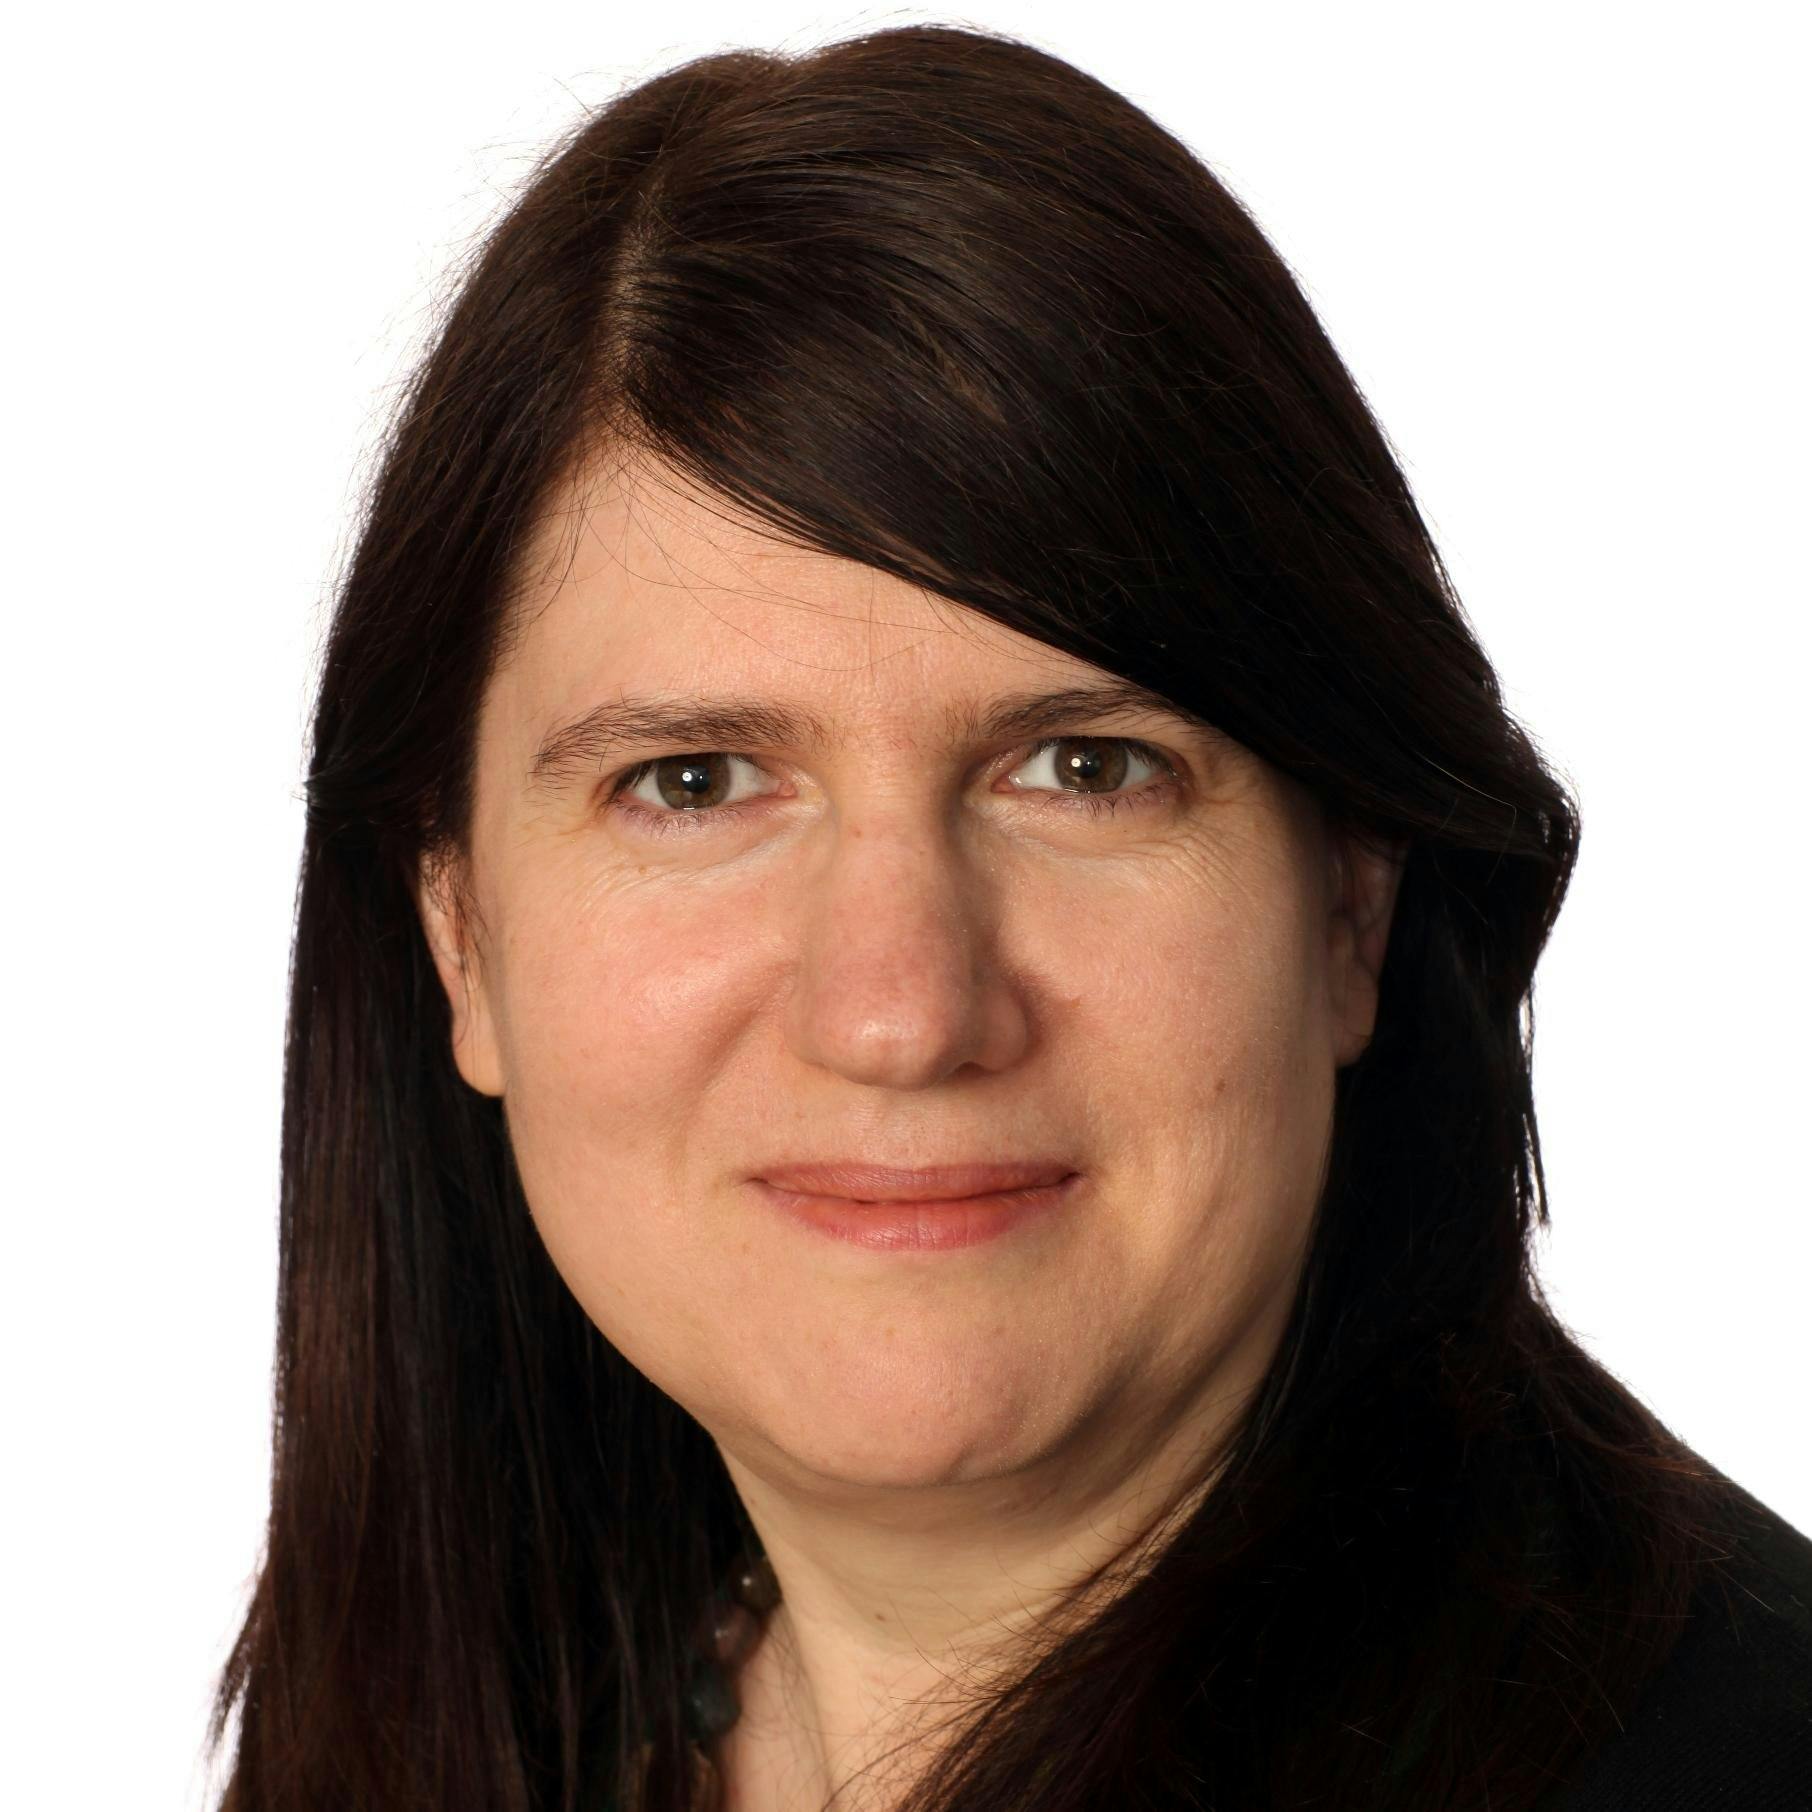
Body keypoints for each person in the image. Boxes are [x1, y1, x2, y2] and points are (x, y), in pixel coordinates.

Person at [207, 21, 1812, 1812]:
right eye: (695, 783)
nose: (900, 1012)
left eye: (1086, 770)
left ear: (1351, 905)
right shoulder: (483, 1741)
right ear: (460, 936)